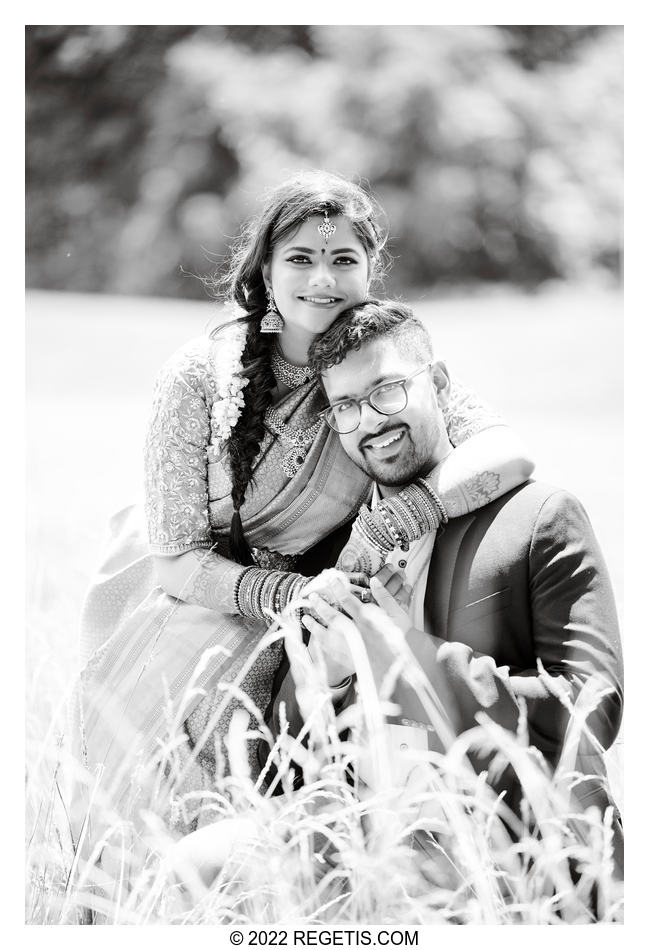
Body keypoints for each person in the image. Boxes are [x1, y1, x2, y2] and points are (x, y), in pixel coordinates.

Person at [77, 172, 534, 833]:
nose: (323, 279)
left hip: (331, 601)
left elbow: (507, 453)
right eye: (300, 258)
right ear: (264, 270)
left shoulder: (377, 361)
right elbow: (176, 562)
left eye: (343, 259)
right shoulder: (199, 374)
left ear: (370, 269)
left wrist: (403, 514)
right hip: (198, 602)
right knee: (148, 818)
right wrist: (290, 597)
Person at [269, 299, 623, 877]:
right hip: (365, 838)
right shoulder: (338, 552)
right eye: (346, 408)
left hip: (514, 851)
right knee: (203, 865)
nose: (370, 423)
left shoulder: (539, 517)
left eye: (386, 392)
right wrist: (323, 678)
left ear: (437, 382)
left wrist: (405, 654)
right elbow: (287, 759)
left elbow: (594, 710)